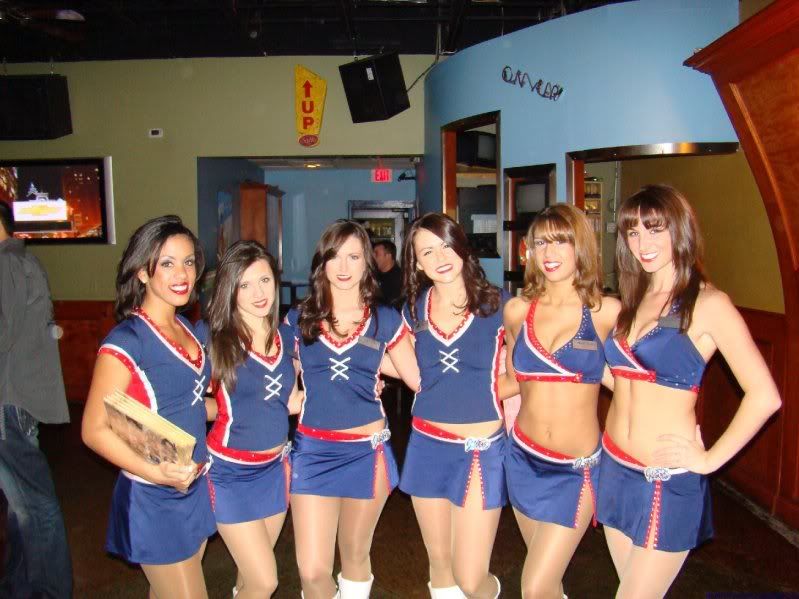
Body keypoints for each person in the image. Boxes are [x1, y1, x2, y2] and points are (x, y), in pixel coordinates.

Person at [598, 185, 781, 597]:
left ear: (679, 230)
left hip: (662, 478)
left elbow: (765, 394)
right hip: (613, 466)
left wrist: (709, 460)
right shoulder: (634, 297)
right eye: (632, 232)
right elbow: (622, 378)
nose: (642, 243)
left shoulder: (708, 303)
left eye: (654, 229)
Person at [81, 215, 216, 598]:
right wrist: (156, 475)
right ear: (143, 272)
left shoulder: (190, 329)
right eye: (168, 263)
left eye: (189, 262)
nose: (182, 273)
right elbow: (93, 429)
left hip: (192, 481)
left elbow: (192, 404)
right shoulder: (128, 340)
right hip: (153, 493)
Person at [284, 220, 419, 599]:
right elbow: (281, 375)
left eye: (354, 257)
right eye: (334, 256)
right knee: (312, 571)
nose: (343, 267)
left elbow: (418, 379)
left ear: (367, 264)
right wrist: (287, 397)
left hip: (367, 451)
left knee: (356, 554)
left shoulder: (384, 320)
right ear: (321, 263)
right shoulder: (298, 319)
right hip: (312, 452)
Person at [394, 213, 517, 599]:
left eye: (445, 245)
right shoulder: (412, 311)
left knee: (469, 576)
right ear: (416, 262)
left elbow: (522, 377)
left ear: (461, 244)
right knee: (441, 568)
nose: (439, 257)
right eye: (426, 252)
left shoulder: (501, 305)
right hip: (428, 445)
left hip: (481, 451)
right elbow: (413, 373)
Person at [502, 205, 620, 599]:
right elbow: (511, 381)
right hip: (521, 461)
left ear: (580, 247)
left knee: (533, 587)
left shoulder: (605, 312)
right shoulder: (517, 311)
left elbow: (632, 383)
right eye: (540, 243)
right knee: (548, 585)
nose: (549, 253)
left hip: (576, 471)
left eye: (561, 241)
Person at [196, 240, 302, 598]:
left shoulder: (287, 336)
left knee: (248, 578)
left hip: (275, 470)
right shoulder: (212, 340)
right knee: (265, 580)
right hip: (230, 474)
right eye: (245, 285)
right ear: (230, 289)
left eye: (265, 281)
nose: (258, 293)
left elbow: (291, 395)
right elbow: (186, 401)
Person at [0, 200, 73, 598]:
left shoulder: (5, 265)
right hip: (18, 403)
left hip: (6, 404)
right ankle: (18, 587)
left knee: (35, 506)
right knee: (21, 506)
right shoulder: (23, 262)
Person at [373, 240, 403, 307]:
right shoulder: (374, 275)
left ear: (388, 256)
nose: (373, 257)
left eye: (376, 254)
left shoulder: (400, 279)